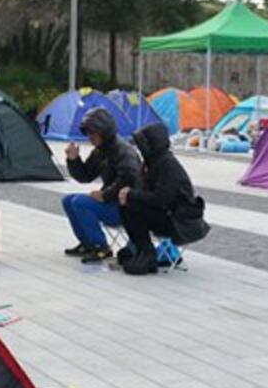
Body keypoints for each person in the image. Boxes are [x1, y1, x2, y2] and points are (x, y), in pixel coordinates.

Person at [119, 122, 210, 275]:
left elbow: (161, 198)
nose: (140, 149)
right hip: (169, 214)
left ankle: (146, 254)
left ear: (152, 144)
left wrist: (132, 194)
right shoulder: (153, 163)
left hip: (180, 222)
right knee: (128, 205)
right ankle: (142, 251)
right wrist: (129, 194)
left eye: (143, 144)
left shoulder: (167, 164)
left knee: (132, 206)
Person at [62, 108, 141, 263]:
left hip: (127, 207)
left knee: (80, 202)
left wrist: (105, 195)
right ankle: (87, 244)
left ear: (104, 131)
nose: (90, 137)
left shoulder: (123, 150)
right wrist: (74, 159)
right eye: (88, 133)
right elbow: (85, 176)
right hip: (113, 201)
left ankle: (101, 247)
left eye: (93, 133)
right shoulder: (101, 151)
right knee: (68, 200)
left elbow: (130, 178)